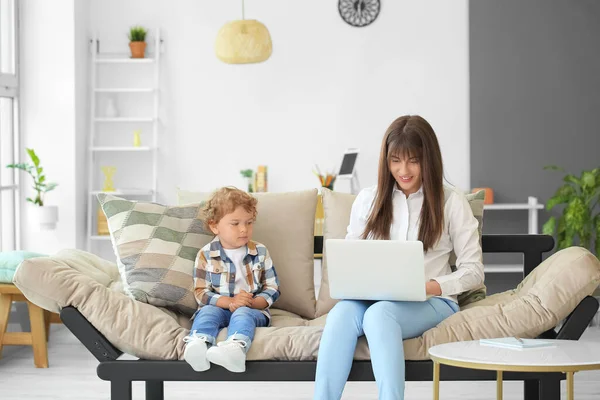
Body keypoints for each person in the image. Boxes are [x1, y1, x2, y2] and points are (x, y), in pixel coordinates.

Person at [314, 115, 484, 400]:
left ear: (428, 159)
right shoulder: (369, 199)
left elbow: (474, 270)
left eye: (413, 161)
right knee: (340, 315)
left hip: (431, 301)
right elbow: (351, 255)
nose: (403, 170)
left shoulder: (451, 201)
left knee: (380, 315)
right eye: (395, 160)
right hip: (371, 298)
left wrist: (429, 286)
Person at [183, 187, 280, 373]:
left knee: (242, 313)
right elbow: (201, 293)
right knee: (207, 313)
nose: (244, 229)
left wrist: (251, 303)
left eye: (249, 222)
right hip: (219, 307)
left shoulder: (260, 252)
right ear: (214, 226)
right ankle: (198, 344)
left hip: (252, 309)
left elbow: (273, 288)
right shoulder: (206, 254)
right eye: (235, 223)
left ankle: (235, 350)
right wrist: (230, 302)